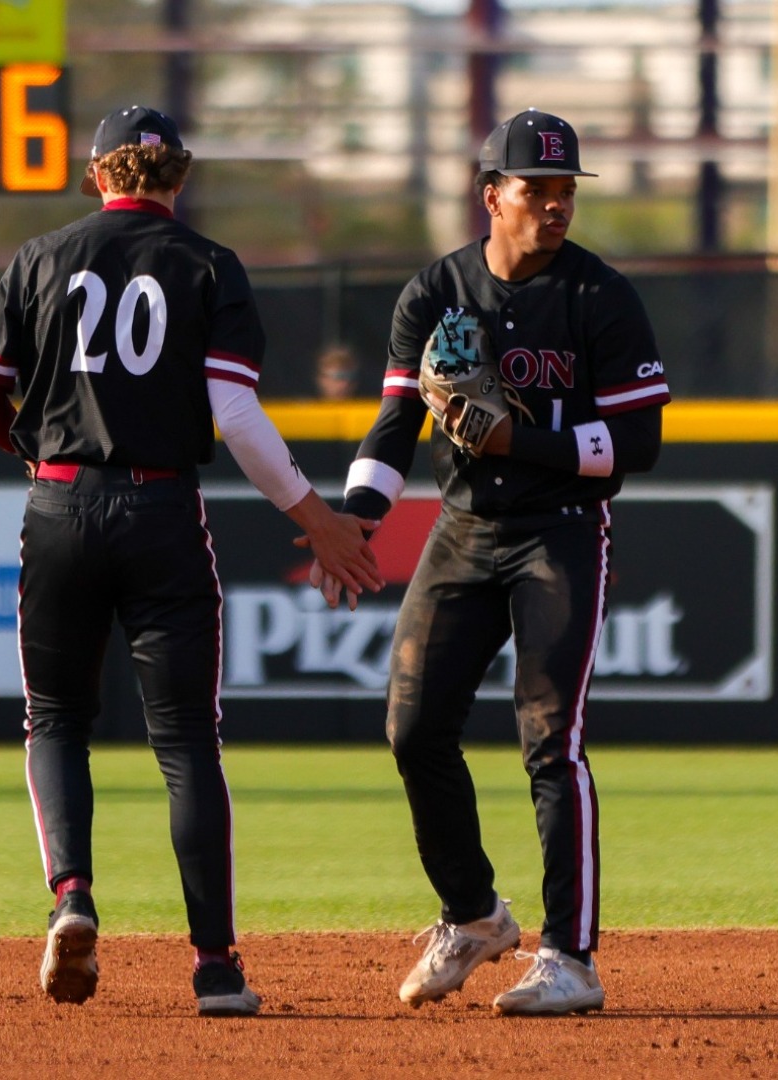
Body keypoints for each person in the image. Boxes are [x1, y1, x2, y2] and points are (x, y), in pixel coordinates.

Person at [0, 104, 382, 1017]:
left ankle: (73, 899)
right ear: (176, 177)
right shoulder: (210, 264)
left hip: (61, 504)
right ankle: (217, 967)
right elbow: (232, 415)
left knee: (58, 721)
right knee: (187, 742)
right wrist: (317, 516)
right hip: (159, 508)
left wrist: (33, 454)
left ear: (98, 174)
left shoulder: (39, 257)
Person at [313, 109, 668, 1015]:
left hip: (561, 528)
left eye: (564, 191)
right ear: (491, 197)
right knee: (412, 727)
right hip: (463, 529)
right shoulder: (437, 291)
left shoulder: (599, 296)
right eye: (536, 190)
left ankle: (572, 959)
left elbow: (639, 441)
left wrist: (522, 435)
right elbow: (396, 419)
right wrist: (356, 517)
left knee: (552, 743)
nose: (554, 207)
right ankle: (472, 914)